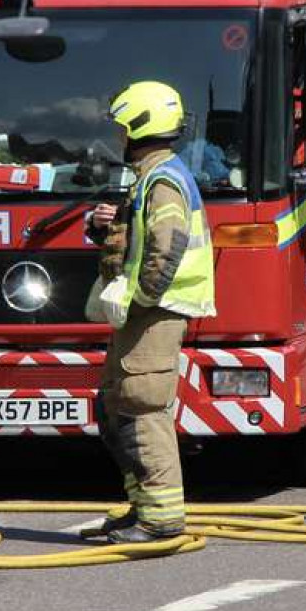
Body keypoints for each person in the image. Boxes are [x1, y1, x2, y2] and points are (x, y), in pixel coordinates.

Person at [86, 81, 216, 544]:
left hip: (155, 312)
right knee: (117, 405)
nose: (118, 137)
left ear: (138, 127)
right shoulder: (151, 177)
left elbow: (167, 247)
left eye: (122, 127)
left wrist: (139, 297)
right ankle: (142, 505)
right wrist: (103, 225)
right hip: (144, 312)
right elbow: (138, 241)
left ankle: (160, 518)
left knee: (142, 406)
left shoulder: (162, 182)